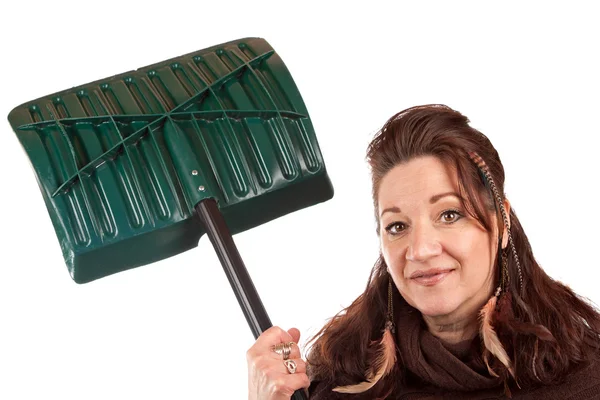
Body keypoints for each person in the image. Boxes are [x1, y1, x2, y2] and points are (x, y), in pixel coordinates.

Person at [246, 105, 600, 399]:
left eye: (450, 215)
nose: (420, 250)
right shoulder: (344, 378)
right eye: (397, 226)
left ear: (502, 221)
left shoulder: (587, 375)